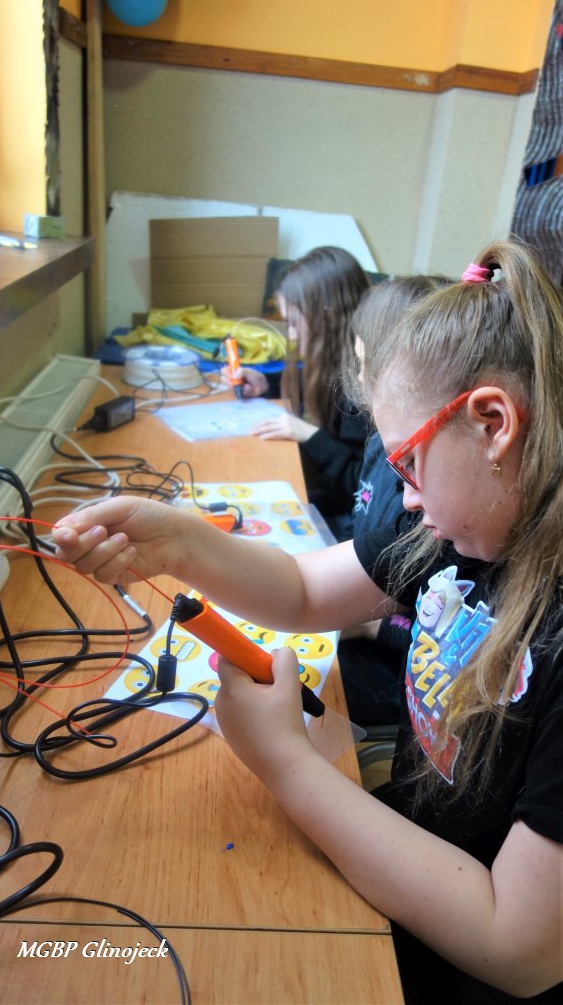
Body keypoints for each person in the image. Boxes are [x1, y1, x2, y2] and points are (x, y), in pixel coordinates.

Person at [52, 237, 563, 1004]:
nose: (404, 498)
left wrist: (286, 763)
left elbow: (518, 948)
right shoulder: (465, 528)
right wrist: (178, 542)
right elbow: (299, 593)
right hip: (415, 856)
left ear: (492, 423)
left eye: (406, 464)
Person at [339, 276, 451, 727]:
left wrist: (372, 626)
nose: (358, 376)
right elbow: (361, 539)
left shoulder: (447, 507)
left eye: (364, 361)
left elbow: (444, 646)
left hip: (396, 673)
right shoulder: (377, 448)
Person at [225, 246, 372, 540]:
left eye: (293, 323)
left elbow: (364, 487)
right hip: (334, 501)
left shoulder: (362, 383)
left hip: (353, 524)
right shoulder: (341, 359)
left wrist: (309, 435)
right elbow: (320, 384)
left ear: (326, 317)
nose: (290, 335)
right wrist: (267, 384)